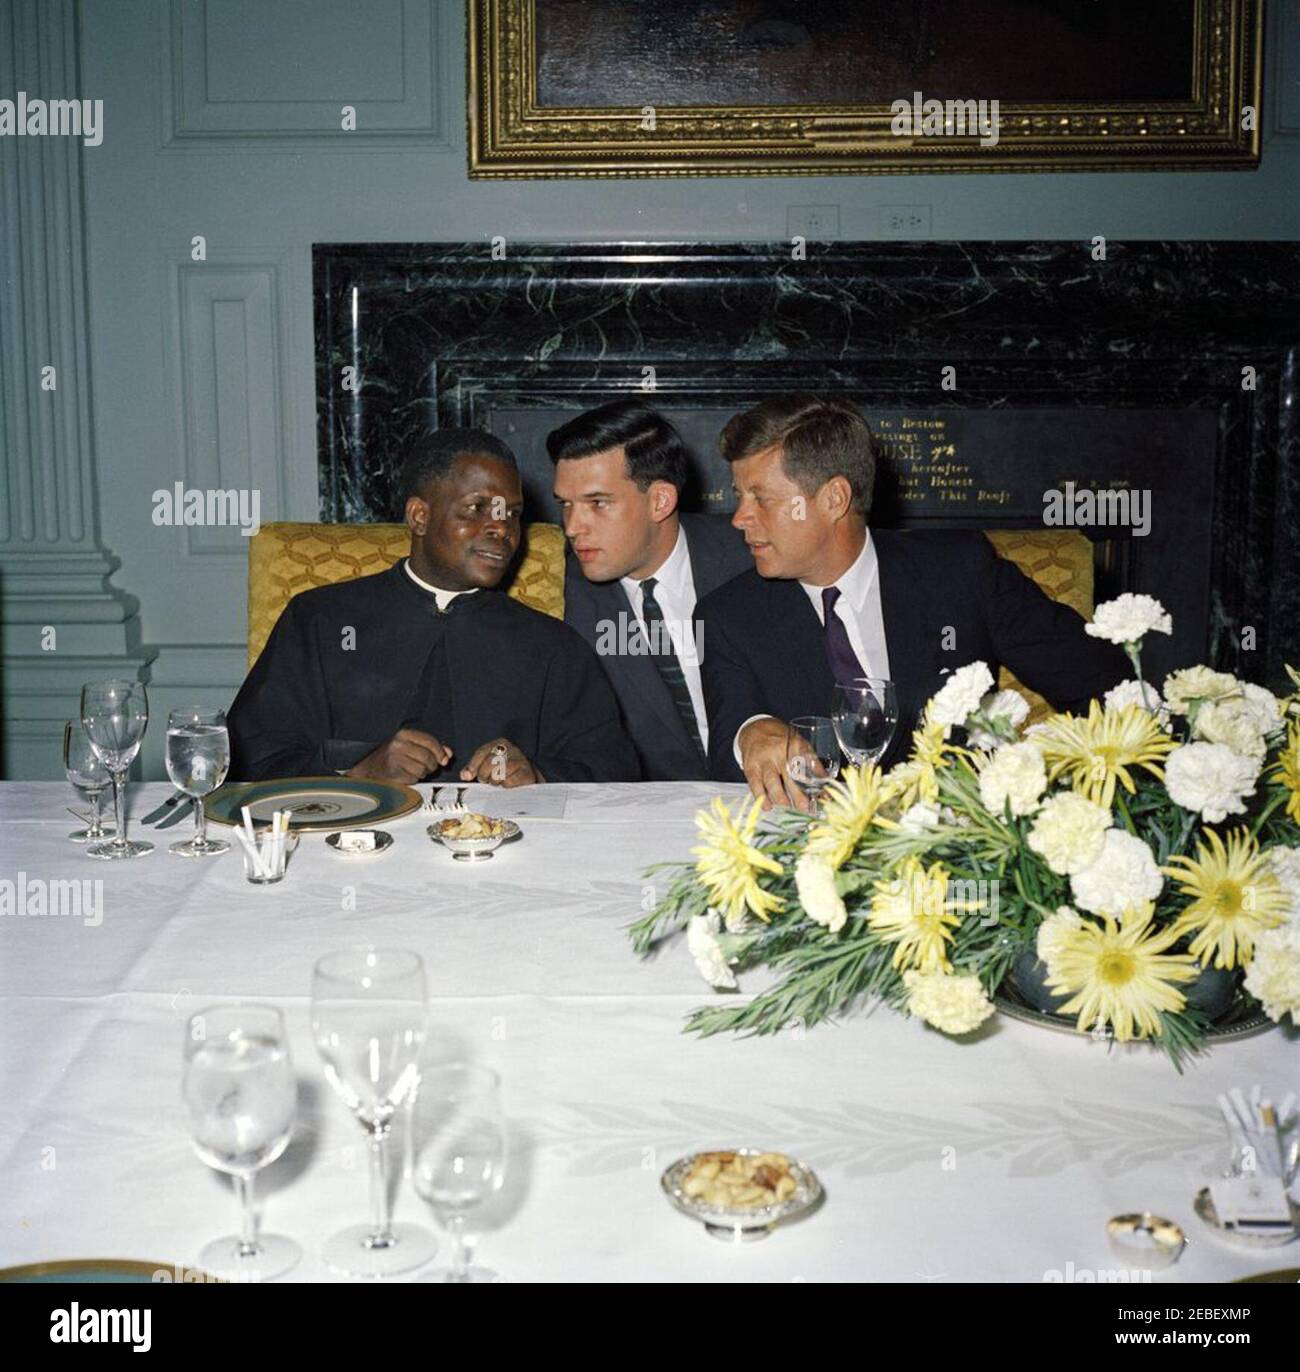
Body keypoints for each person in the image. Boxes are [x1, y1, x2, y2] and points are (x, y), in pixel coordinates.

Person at [695, 393, 1128, 808]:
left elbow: (1100, 683)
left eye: (761, 499)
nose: (739, 518)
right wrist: (752, 735)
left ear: (834, 498)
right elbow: (733, 736)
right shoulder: (729, 616)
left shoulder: (959, 569)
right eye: (739, 496)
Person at [227, 429, 640, 786]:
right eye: (477, 508)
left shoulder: (552, 645)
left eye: (512, 514)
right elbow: (248, 761)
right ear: (420, 516)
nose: (501, 528)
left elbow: (613, 772)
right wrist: (355, 773)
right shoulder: (319, 619)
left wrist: (537, 774)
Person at [549, 401, 751, 780]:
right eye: (566, 505)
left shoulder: (751, 555)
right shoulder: (562, 595)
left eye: (597, 503)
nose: (573, 527)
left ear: (660, 500)